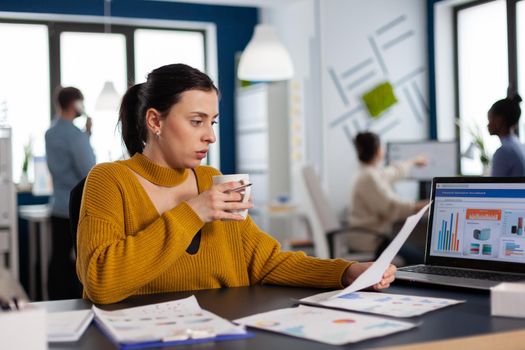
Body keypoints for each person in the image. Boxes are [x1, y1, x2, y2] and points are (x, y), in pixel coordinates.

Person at [76, 64, 396, 305]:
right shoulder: (109, 180)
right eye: (196, 121)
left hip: (224, 333)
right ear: (155, 121)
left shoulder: (211, 177)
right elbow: (101, 282)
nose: (210, 136)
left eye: (212, 122)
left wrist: (345, 272)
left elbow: (265, 261)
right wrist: (195, 211)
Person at [45, 87, 96, 300]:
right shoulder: (75, 136)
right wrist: (86, 138)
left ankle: (55, 300)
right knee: (79, 257)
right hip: (74, 207)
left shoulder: (51, 132)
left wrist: (85, 135)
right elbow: (90, 170)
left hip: (57, 205)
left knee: (57, 257)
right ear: (75, 104)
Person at [348, 132, 428, 265]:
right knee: (422, 258)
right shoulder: (368, 178)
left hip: (373, 237)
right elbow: (392, 207)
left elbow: (393, 172)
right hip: (372, 241)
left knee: (419, 251)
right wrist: (427, 204)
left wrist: (414, 161)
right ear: (379, 150)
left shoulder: (367, 173)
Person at [487, 94, 524, 176]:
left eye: (490, 119)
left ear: (499, 120)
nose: (488, 125)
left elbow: (495, 187)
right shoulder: (521, 146)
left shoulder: (503, 153)